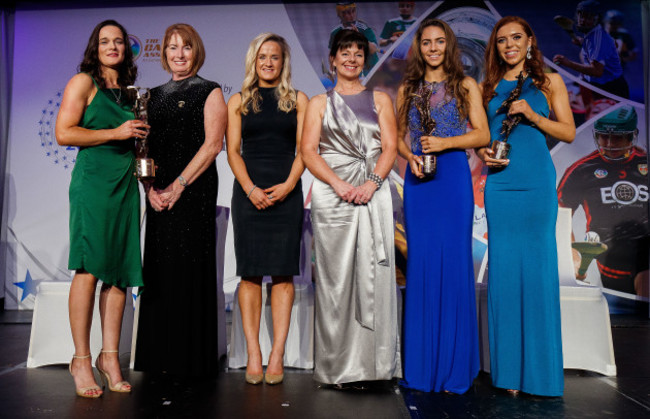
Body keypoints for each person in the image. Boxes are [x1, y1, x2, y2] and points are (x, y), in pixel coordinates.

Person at [478, 16, 575, 396]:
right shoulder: (487, 88)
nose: (509, 45)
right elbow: (482, 138)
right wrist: (483, 152)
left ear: (530, 40)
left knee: (537, 274)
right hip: (501, 186)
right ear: (496, 47)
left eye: (516, 37)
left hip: (536, 185)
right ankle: (508, 377)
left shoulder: (550, 82)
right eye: (502, 40)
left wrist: (534, 115)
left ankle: (540, 376)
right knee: (503, 274)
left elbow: (567, 130)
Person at [302, 29, 401, 386]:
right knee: (336, 281)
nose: (351, 58)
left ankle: (376, 367)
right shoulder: (318, 103)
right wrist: (340, 184)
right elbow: (309, 152)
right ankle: (337, 368)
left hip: (373, 192)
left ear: (365, 59)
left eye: (358, 53)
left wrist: (372, 184)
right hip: (333, 196)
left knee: (375, 272)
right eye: (344, 52)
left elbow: (390, 147)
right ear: (332, 59)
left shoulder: (381, 98)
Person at [396, 18, 489, 393]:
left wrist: (445, 144)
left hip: (451, 179)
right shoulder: (407, 88)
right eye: (426, 42)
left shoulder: (465, 85)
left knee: (452, 265)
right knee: (420, 265)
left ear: (448, 46)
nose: (433, 48)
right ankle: (421, 366)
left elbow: (482, 134)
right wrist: (411, 156)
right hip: (419, 180)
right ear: (418, 48)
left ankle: (453, 365)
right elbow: (399, 138)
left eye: (439, 42)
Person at [56, 19, 147, 398]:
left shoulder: (129, 93)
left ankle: (110, 357)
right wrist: (116, 133)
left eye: (119, 42)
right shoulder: (83, 82)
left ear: (127, 48)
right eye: (105, 41)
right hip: (93, 184)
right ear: (95, 47)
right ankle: (81, 358)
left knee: (120, 273)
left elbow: (135, 140)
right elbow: (64, 132)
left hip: (126, 185)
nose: (112, 47)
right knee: (90, 269)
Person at [134, 23, 227, 377]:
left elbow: (212, 145)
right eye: (172, 48)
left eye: (186, 47)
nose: (179, 54)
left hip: (194, 191)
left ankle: (191, 357)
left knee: (190, 268)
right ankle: (158, 356)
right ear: (164, 54)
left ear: (196, 51)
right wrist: (150, 190)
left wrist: (179, 185)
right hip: (159, 194)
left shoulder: (210, 90)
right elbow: (143, 148)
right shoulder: (151, 95)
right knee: (159, 269)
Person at [226, 33, 308, 385]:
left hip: (286, 193)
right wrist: (250, 189)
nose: (269, 63)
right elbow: (232, 150)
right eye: (263, 57)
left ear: (283, 61)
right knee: (250, 274)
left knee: (283, 275)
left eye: (275, 57)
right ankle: (254, 354)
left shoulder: (299, 99)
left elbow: (305, 149)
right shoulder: (239, 100)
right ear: (253, 61)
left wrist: (289, 186)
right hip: (249, 192)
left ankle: (277, 353)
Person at [557, 105, 648, 297]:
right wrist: (571, 252)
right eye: (603, 136)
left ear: (632, 136)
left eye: (617, 138)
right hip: (609, 251)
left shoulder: (645, 161)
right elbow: (560, 211)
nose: (609, 143)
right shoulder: (582, 169)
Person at [552, 0, 629, 98]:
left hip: (610, 91)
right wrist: (583, 43)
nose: (583, 20)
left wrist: (568, 63)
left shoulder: (596, 39)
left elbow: (596, 71)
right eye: (581, 16)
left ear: (597, 19)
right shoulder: (593, 34)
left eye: (589, 17)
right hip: (601, 87)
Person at [328, 2, 380, 74]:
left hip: (371, 69)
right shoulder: (335, 32)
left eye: (353, 11)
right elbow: (332, 54)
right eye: (347, 13)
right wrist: (332, 71)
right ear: (340, 14)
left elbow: (373, 49)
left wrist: (359, 36)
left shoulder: (364, 28)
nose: (352, 15)